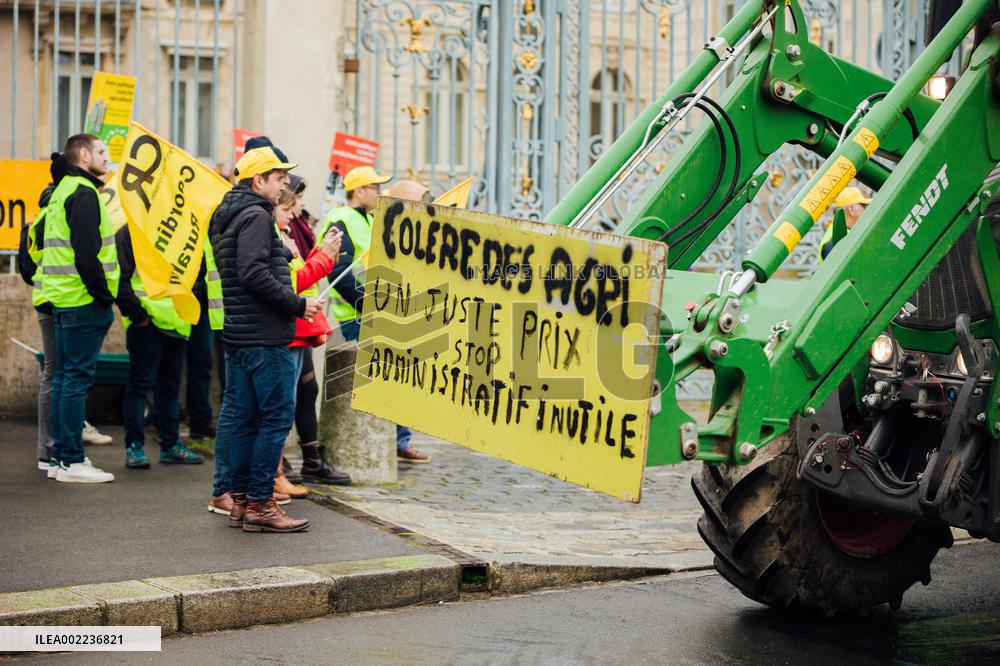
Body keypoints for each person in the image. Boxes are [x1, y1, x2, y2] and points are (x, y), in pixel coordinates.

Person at [209, 145, 322, 533]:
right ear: (257, 180)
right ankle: (260, 502)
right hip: (264, 334)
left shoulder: (228, 213)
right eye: (278, 178)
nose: (284, 183)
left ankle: (242, 501)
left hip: (241, 335)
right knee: (274, 419)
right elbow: (254, 274)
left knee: (243, 418)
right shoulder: (256, 215)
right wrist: (297, 304)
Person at [317, 166, 431, 464]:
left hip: (380, 310)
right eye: (374, 188)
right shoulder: (341, 219)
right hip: (360, 314)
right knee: (384, 375)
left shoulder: (369, 219)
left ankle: (398, 440)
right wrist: (367, 305)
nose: (380, 193)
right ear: (358, 190)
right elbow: (339, 273)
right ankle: (393, 442)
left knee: (395, 372)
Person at [40, 134, 119, 483]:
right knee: (74, 381)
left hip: (64, 299)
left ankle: (60, 458)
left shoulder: (63, 189)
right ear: (85, 155)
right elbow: (87, 255)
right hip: (82, 300)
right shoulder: (84, 193)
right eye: (102, 151)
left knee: (63, 379)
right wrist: (103, 296)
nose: (107, 157)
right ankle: (72, 461)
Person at [274, 189, 351, 488]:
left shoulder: (286, 233)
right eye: (289, 209)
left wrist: (322, 255)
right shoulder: (274, 235)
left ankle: (307, 460)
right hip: (285, 326)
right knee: (278, 404)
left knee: (304, 391)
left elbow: (298, 274)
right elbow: (293, 280)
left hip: (297, 324)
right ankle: (274, 474)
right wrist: (324, 256)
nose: (295, 214)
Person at [115, 224, 205, 469]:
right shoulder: (133, 229)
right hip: (146, 322)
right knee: (139, 386)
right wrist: (137, 315)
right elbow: (119, 277)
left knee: (170, 387)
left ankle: (170, 444)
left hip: (176, 322)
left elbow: (196, 270)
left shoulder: (183, 226)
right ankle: (134, 447)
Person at [818, 186, 871, 261]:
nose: (865, 210)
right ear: (851, 208)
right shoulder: (836, 239)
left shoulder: (843, 234)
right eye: (863, 206)